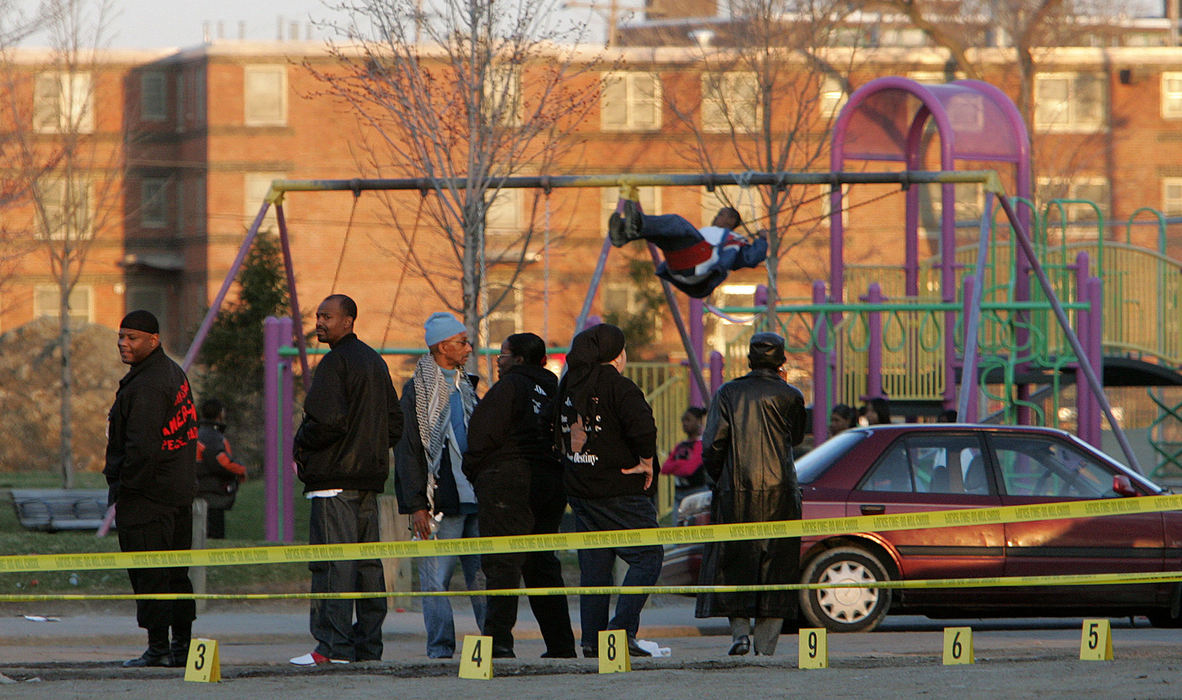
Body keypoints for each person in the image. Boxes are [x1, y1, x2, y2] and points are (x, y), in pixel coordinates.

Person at [290, 294, 403, 666]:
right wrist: (369, 450)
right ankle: (368, 648)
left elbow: (326, 422)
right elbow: (395, 422)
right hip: (369, 481)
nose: (319, 322)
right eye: (318, 316)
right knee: (368, 567)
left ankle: (332, 649)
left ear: (348, 321)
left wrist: (300, 443)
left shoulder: (334, 364)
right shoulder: (374, 361)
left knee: (331, 564)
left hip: (332, 481)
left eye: (327, 316)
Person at [462, 333, 576, 659]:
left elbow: (482, 434)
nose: (499, 360)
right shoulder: (555, 390)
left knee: (502, 564)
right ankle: (561, 645)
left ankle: (497, 644)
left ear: (520, 360)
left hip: (507, 482)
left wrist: (476, 472)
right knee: (542, 565)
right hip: (551, 481)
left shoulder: (509, 388)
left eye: (504, 354)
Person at [695, 332, 806, 657]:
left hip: (736, 489)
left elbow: (713, 443)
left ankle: (740, 634)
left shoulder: (728, 392)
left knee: (735, 562)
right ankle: (766, 645)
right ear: (781, 361)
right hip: (781, 491)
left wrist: (721, 479)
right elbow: (796, 438)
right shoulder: (791, 395)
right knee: (777, 567)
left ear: (748, 359)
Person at [556, 323, 663, 659]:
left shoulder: (569, 386)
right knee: (648, 555)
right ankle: (620, 631)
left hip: (580, 489)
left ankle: (592, 641)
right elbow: (644, 428)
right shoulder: (620, 387)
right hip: (619, 488)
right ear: (617, 355)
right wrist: (646, 461)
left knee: (596, 569)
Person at [103, 310, 199, 668]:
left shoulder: (148, 385)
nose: (123, 343)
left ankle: (160, 649)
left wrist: (125, 487)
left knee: (151, 575)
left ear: (153, 341)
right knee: (175, 574)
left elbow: (141, 449)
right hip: (175, 495)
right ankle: (181, 649)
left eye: (132, 338)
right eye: (121, 336)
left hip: (149, 499)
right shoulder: (170, 373)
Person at [395, 311, 486, 659]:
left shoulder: (467, 385)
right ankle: (441, 650)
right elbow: (409, 452)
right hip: (440, 502)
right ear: (441, 346)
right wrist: (417, 504)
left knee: (482, 581)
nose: (469, 347)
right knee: (436, 582)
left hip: (475, 499)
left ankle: (494, 645)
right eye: (462, 342)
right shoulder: (418, 392)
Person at [608, 201, 768, 299]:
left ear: (731, 220)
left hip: (699, 265)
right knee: (663, 235)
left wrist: (762, 240)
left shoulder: (734, 239)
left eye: (721, 214)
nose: (716, 217)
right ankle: (623, 232)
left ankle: (636, 223)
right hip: (680, 264)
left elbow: (752, 257)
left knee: (676, 223)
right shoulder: (707, 231)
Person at [195, 398, 247, 539]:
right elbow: (221, 461)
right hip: (211, 493)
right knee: (214, 534)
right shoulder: (212, 436)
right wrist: (240, 470)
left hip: (199, 490)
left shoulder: (198, 433)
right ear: (220, 414)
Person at [660, 406, 708, 506]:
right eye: (683, 420)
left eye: (688, 420)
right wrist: (681, 464)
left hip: (696, 492)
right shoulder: (680, 445)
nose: (684, 423)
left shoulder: (701, 444)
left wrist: (676, 465)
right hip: (679, 493)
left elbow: (689, 469)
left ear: (698, 421)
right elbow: (665, 468)